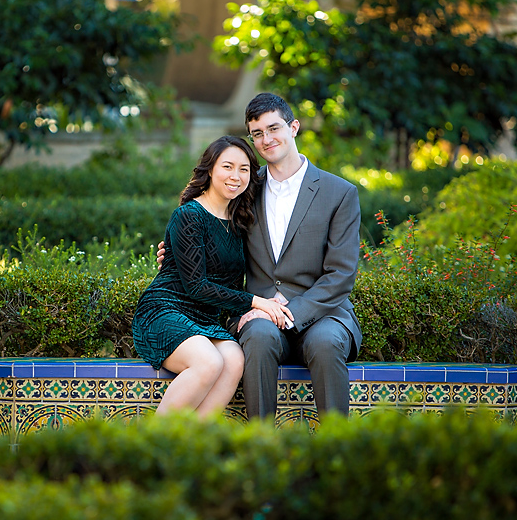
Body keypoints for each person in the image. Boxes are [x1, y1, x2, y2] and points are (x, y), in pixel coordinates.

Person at [158, 93, 362, 419]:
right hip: (260, 318)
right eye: (257, 134)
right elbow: (207, 231)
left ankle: (336, 446)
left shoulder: (339, 193)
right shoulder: (244, 190)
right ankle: (261, 446)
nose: (266, 140)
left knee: (324, 343)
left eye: (274, 128)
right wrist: (173, 256)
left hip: (323, 313)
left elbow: (341, 274)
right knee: (257, 337)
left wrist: (288, 313)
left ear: (293, 127)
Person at [133, 135, 293, 417]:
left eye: (244, 169)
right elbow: (196, 286)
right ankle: (151, 447)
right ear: (210, 170)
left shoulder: (240, 223)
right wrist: (257, 302)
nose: (236, 176)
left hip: (205, 319)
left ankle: (192, 450)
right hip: (167, 310)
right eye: (227, 167)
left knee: (233, 359)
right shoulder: (189, 215)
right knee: (208, 362)